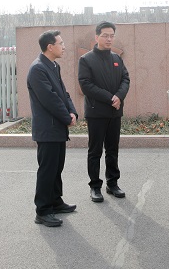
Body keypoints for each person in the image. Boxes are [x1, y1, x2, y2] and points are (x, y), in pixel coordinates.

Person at [27, 30, 78, 227]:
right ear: (50, 47)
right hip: (47, 129)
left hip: (57, 128)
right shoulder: (38, 69)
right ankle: (43, 211)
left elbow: (63, 94)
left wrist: (72, 112)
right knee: (47, 170)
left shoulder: (53, 66)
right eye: (61, 43)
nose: (64, 47)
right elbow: (50, 99)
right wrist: (66, 118)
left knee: (57, 168)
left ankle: (56, 201)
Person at [78, 21, 130, 203]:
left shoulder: (117, 58)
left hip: (115, 112)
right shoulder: (86, 60)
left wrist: (119, 96)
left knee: (112, 150)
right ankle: (95, 186)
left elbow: (125, 79)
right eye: (105, 35)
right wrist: (110, 98)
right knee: (95, 151)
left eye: (111, 36)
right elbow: (86, 85)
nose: (109, 39)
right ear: (97, 37)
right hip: (96, 113)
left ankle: (112, 183)